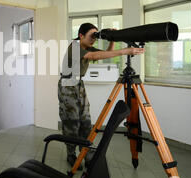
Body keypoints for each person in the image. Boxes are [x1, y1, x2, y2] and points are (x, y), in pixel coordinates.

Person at [59, 23, 144, 168]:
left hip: (79, 84)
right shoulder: (75, 46)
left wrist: (112, 40)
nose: (94, 39)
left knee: (86, 121)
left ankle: (86, 154)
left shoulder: (87, 47)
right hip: (67, 85)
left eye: (96, 36)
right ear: (81, 36)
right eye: (91, 36)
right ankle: (71, 155)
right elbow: (94, 55)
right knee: (72, 122)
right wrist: (124, 51)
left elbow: (103, 55)